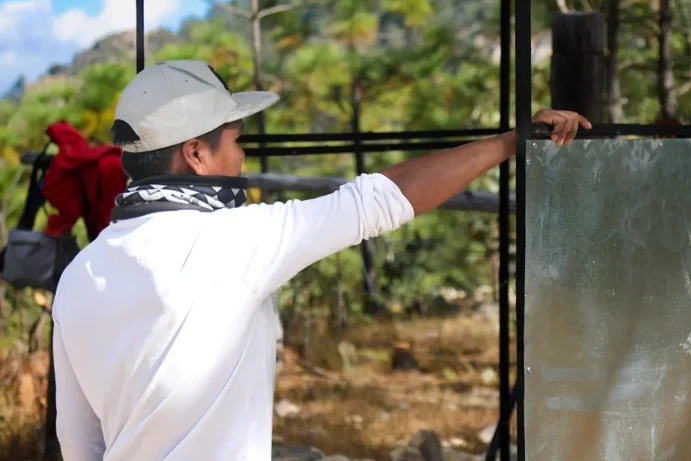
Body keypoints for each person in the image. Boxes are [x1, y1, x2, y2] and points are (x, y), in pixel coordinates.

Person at [51, 60, 590, 461]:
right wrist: (509, 143)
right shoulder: (235, 240)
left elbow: (78, 443)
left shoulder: (78, 276)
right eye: (235, 141)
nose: (242, 156)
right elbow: (377, 201)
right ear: (195, 153)